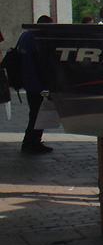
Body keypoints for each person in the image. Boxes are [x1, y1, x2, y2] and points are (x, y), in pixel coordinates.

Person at [18, 15, 54, 154]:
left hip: (27, 81)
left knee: (34, 114)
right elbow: (40, 62)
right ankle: (33, 142)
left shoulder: (25, 36)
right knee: (38, 115)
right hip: (37, 83)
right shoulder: (38, 39)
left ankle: (30, 141)